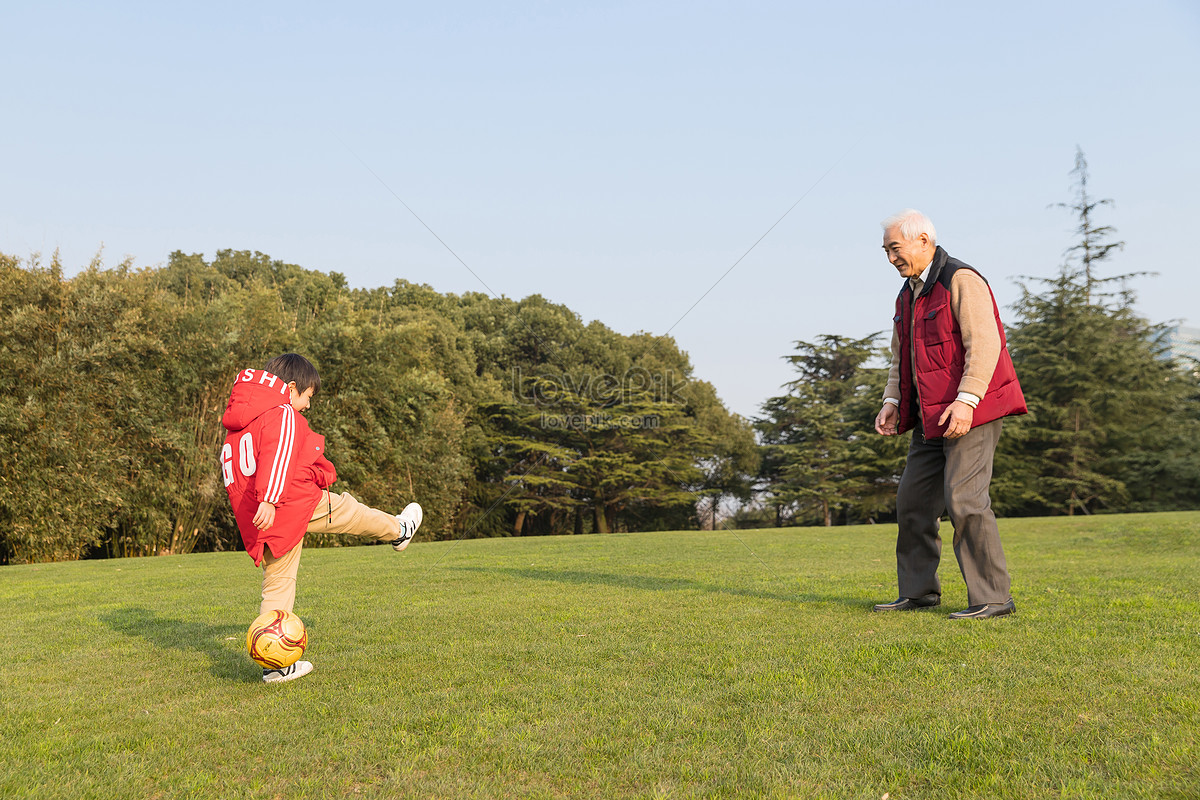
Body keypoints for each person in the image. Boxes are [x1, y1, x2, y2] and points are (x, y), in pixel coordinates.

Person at [220, 353, 423, 682]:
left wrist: (259, 510)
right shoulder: (281, 410)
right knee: (349, 510)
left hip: (261, 516)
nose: (307, 406)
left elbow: (235, 476)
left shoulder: (238, 425)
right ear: (290, 388)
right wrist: (270, 499)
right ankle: (400, 530)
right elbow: (281, 451)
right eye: (308, 397)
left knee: (278, 585)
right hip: (289, 501)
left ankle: (277, 666)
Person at [872, 210, 1026, 620]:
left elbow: (986, 344)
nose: (890, 259)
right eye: (885, 251)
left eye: (895, 249)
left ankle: (994, 598)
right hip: (930, 417)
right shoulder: (907, 294)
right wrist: (891, 401)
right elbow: (899, 359)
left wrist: (968, 399)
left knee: (964, 499)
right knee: (913, 502)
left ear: (924, 240)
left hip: (970, 411)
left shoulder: (961, 279)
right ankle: (918, 592)